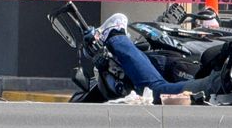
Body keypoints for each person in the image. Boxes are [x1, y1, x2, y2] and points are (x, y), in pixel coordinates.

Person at [89, 13, 222, 101]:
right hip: (218, 84)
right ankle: (116, 38)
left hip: (217, 86)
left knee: (155, 90)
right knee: (157, 89)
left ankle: (114, 36)